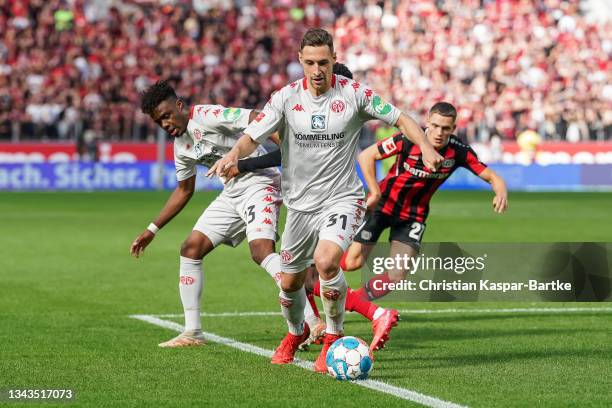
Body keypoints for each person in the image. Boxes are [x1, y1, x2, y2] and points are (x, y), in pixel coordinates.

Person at [209, 28, 443, 372]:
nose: (317, 70)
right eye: (310, 63)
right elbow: (251, 135)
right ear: (300, 62)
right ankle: (296, 331)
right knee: (290, 283)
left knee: (327, 261)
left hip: (341, 198)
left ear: (334, 59)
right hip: (300, 205)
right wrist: (233, 156)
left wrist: (424, 146)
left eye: (323, 62)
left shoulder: (354, 94)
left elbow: (401, 118)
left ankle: (333, 337)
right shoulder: (285, 98)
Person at [129, 80, 325, 347]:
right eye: (158, 122)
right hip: (232, 193)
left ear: (179, 106)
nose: (164, 124)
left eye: (166, 116)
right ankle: (192, 333)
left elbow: (258, 118)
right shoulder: (182, 148)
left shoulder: (208, 116)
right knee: (191, 248)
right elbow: (184, 190)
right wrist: (151, 230)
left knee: (261, 251)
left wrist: (288, 150)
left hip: (260, 182)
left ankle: (314, 322)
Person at [232, 63, 400, 352]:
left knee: (317, 272)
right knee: (305, 277)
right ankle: (314, 327)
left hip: (330, 203)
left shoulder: (340, 110)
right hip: (309, 202)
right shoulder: (308, 107)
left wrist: (243, 165)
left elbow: (284, 155)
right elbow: (287, 153)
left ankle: (358, 319)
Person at [343, 102, 508, 299]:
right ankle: (313, 269)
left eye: (446, 128)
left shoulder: (459, 151)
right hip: (383, 205)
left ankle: (352, 302)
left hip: (414, 216)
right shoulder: (408, 139)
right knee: (352, 263)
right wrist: (374, 191)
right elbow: (366, 156)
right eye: (435, 126)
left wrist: (501, 192)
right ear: (427, 122)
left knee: (397, 276)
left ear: (453, 128)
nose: (439, 132)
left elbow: (492, 177)